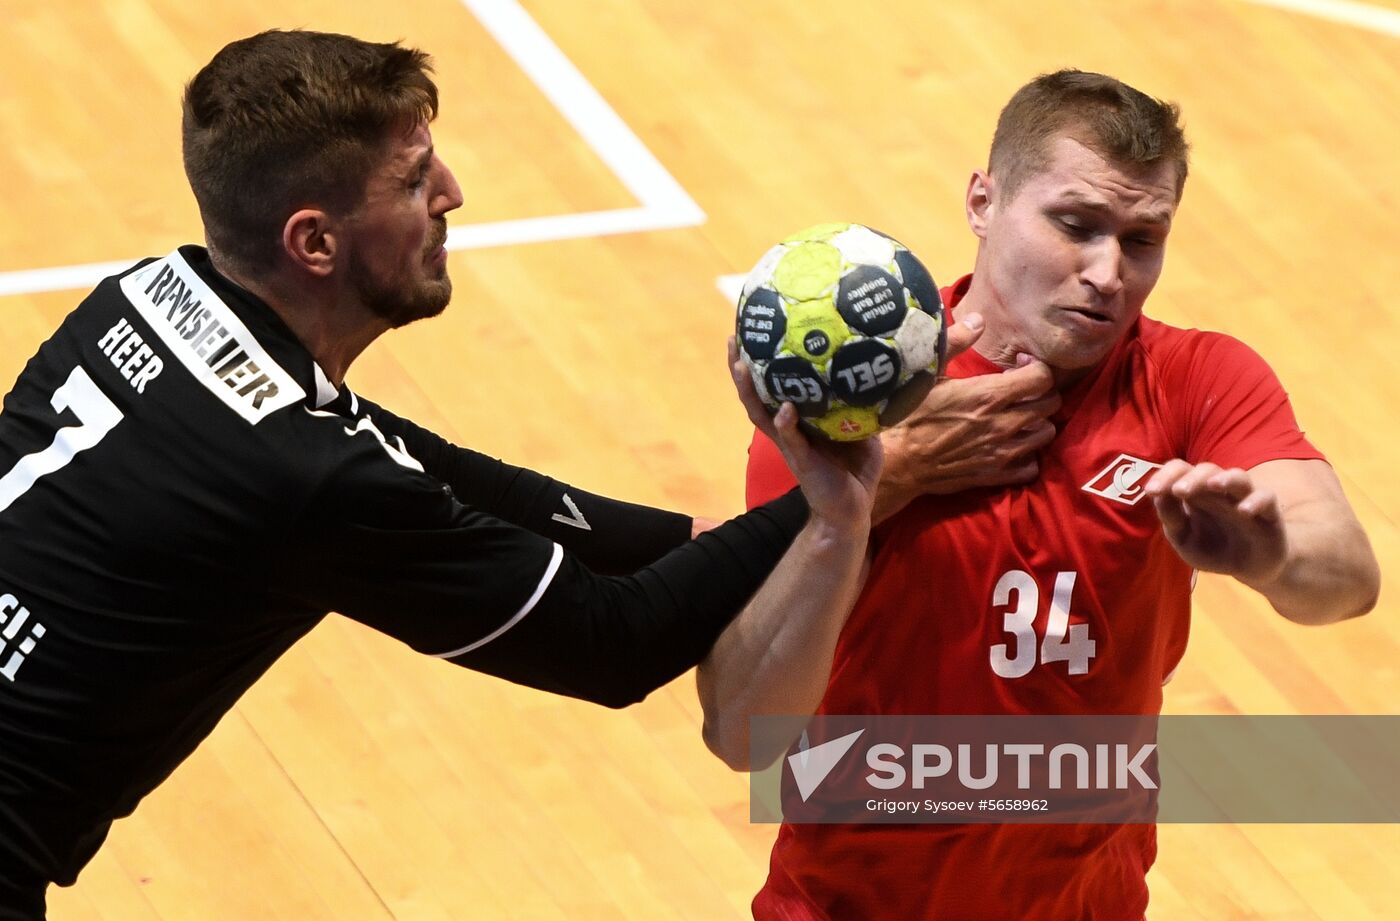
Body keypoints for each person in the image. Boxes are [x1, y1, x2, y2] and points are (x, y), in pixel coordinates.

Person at [0, 30, 880, 920]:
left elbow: (431, 469)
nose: (453, 193)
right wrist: (857, 497)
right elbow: (614, 644)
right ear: (314, 241)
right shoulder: (301, 479)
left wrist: (687, 542)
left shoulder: (147, 299)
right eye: (415, 181)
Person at [703, 69, 1381, 919]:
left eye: (1142, 239)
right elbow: (741, 730)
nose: (1107, 273)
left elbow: (1347, 577)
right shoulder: (851, 411)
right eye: (1076, 225)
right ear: (983, 201)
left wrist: (1269, 551)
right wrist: (877, 491)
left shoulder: (1198, 379)